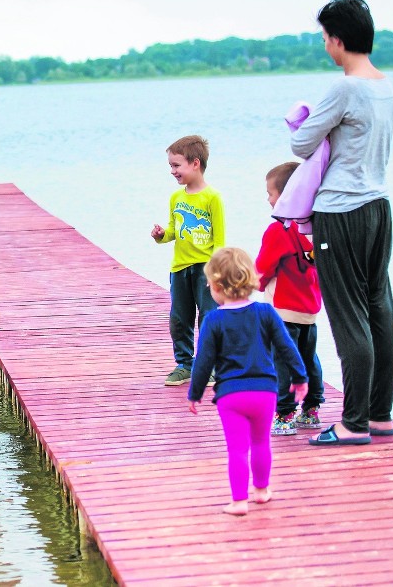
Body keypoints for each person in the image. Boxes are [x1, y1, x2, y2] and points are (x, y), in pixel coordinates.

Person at [290, 0, 393, 446]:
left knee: (349, 316)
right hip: (379, 206)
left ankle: (352, 422)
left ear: (337, 40)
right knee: (380, 311)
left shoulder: (345, 88)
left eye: (323, 38)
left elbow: (301, 144)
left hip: (341, 211)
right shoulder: (384, 85)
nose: (324, 45)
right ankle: (380, 415)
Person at [188, 247, 308, 516]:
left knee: (238, 449)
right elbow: (287, 347)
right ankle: (262, 491)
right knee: (261, 442)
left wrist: (194, 393)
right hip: (265, 392)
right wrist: (300, 378)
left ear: (217, 286)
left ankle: (239, 501)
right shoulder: (266, 313)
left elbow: (203, 361)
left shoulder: (213, 319)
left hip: (231, 395)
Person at [256, 162, 325, 435]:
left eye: (271, 193)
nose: (268, 199)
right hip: (309, 310)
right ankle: (311, 409)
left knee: (283, 362)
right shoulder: (313, 228)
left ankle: (284, 414)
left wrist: (256, 284)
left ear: (286, 196)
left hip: (283, 311)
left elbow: (263, 267)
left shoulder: (278, 231)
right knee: (308, 358)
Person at [151, 135, 225, 386]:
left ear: (195, 164)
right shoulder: (177, 198)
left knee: (208, 316)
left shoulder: (212, 198)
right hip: (180, 267)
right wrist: (162, 236)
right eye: (171, 166)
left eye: (176, 165)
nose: (172, 171)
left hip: (206, 267)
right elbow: (174, 229)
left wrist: (217, 271)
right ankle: (184, 364)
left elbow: (220, 238)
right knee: (180, 318)